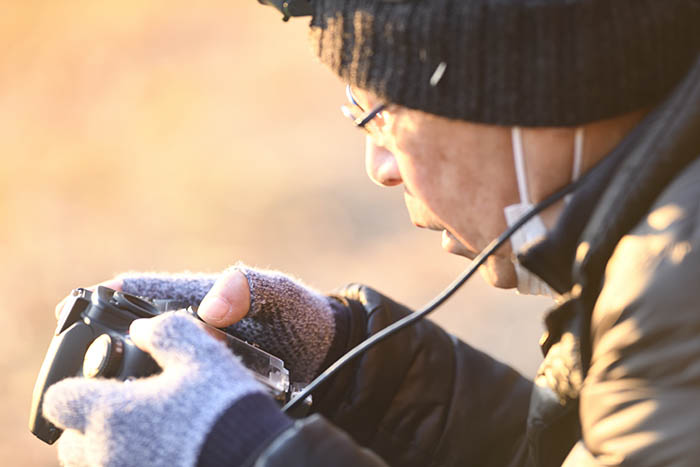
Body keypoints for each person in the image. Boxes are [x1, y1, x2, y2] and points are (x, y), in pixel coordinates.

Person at [43, 1, 700, 466]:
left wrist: (251, 454)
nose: (378, 166)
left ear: (519, 87)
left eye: (380, 114)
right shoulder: (661, 254)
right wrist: (350, 375)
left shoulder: (680, 293)